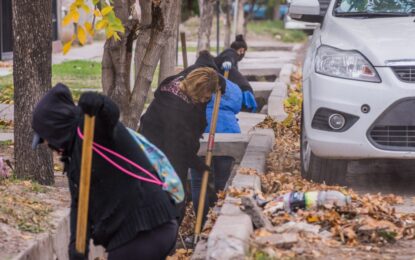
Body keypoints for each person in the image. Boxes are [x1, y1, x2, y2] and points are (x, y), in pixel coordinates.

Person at [32, 84, 178, 260]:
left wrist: (99, 103)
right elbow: (79, 206)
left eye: (45, 138)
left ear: (55, 128)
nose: (47, 145)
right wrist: (77, 248)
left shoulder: (91, 129)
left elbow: (110, 116)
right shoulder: (73, 157)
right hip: (140, 234)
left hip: (147, 229)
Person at [139, 51, 226, 222]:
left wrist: (217, 80)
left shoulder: (179, 83)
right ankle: (166, 239)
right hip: (159, 153)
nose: (206, 101)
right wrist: (197, 164)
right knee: (174, 197)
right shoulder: (175, 110)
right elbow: (178, 148)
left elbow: (199, 69)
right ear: (198, 91)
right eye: (206, 97)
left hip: (160, 147)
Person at [190, 79, 243, 224]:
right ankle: (218, 221)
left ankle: (201, 225)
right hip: (228, 132)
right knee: (222, 181)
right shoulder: (231, 85)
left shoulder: (194, 83)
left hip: (199, 134)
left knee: (198, 183)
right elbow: (238, 105)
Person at [215, 34, 257, 112]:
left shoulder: (229, 53)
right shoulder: (231, 53)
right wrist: (227, 62)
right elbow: (228, 57)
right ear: (241, 50)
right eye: (243, 52)